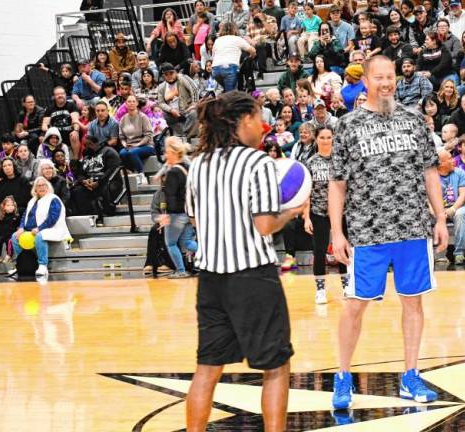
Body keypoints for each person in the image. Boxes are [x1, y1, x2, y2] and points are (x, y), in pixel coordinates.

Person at [329, 55, 448, 410]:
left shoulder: (414, 120)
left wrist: (440, 217)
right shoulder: (348, 126)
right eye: (379, 77)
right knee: (355, 305)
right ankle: (343, 376)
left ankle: (410, 375)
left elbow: (430, 172)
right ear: (365, 81)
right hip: (367, 231)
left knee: (413, 302)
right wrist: (337, 232)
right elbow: (337, 183)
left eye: (390, 77)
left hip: (412, 226)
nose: (386, 83)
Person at [185, 92, 300, 432]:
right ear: (243, 120)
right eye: (259, 117)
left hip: (211, 279)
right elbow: (265, 225)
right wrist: (291, 212)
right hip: (252, 277)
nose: (263, 126)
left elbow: (195, 220)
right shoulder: (259, 163)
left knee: (207, 369)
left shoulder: (198, 164)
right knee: (276, 366)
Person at [302, 126, 348, 304]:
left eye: (329, 137)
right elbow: (306, 192)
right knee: (319, 250)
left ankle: (346, 285)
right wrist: (306, 217)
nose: (326, 140)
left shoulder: (340, 161)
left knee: (343, 249)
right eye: (323, 137)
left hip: (340, 212)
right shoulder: (311, 162)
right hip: (319, 212)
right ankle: (320, 290)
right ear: (316, 139)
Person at [9, 177, 71, 278]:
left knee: (40, 236)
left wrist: (39, 228)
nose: (41, 187)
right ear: (35, 189)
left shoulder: (53, 199)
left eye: (44, 185)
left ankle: (43, 265)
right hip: (31, 230)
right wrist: (21, 228)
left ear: (48, 187)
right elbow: (25, 215)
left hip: (51, 228)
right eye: (39, 186)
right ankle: (21, 263)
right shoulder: (32, 200)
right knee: (14, 237)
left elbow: (53, 218)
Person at [156, 137, 197, 279]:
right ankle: (211, 253)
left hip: (176, 214)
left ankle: (181, 270)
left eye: (167, 153)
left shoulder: (173, 172)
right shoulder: (187, 167)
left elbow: (170, 196)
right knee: (187, 242)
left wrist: (167, 215)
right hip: (188, 212)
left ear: (174, 153)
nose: (165, 156)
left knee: (171, 243)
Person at [71, 136, 122, 225]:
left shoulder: (109, 151)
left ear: (95, 143)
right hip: (90, 183)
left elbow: (112, 170)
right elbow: (80, 173)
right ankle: (88, 217)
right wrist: (84, 181)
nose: (86, 147)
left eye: (88, 144)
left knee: (106, 189)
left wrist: (98, 182)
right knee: (76, 191)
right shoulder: (86, 156)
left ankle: (104, 213)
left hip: (107, 181)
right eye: (85, 145)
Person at [437, 149, 465, 266]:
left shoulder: (460, 172)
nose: (453, 161)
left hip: (460, 206)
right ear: (440, 163)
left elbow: (463, 195)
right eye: (449, 159)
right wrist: (439, 213)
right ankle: (425, 255)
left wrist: (452, 209)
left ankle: (459, 254)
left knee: (460, 214)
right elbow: (428, 201)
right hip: (438, 209)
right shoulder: (431, 177)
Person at [156, 63, 200, 137]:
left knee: (194, 112)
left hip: (187, 109)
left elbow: (194, 89)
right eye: (166, 74)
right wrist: (171, 110)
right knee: (163, 114)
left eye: (171, 73)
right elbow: (161, 103)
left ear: (175, 72)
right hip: (172, 113)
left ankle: (187, 134)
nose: (169, 76)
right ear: (163, 76)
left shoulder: (183, 78)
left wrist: (194, 104)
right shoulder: (161, 86)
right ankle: (180, 135)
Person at [41, 87, 81, 160]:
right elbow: (44, 125)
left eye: (62, 93)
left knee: (74, 135)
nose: (60, 95)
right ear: (54, 96)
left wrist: (76, 130)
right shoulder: (50, 109)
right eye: (57, 94)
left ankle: (76, 159)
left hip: (69, 134)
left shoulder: (71, 105)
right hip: (56, 136)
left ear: (65, 95)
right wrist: (49, 132)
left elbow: (76, 120)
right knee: (42, 138)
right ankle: (49, 158)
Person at [0, 196, 20, 263]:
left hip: (11, 234)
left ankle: (9, 256)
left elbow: (18, 226)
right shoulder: (2, 216)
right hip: (4, 234)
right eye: (8, 205)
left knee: (9, 241)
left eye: (12, 205)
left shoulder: (16, 216)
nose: (10, 207)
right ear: (3, 207)